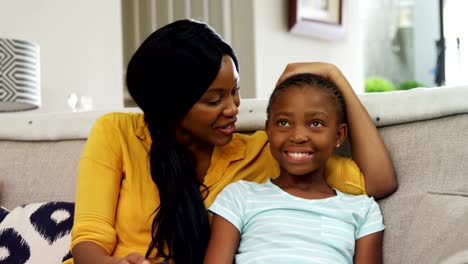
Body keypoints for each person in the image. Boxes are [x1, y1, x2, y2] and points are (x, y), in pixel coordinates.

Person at [67, 19, 396, 264]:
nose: (233, 108)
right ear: (171, 105)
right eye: (214, 100)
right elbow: (89, 237)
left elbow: (376, 181)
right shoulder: (117, 132)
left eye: (235, 91)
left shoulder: (263, 152)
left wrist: (334, 76)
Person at [204, 73, 385, 264]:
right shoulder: (239, 196)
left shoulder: (363, 210)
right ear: (268, 130)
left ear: (339, 135)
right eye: (284, 123)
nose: (298, 136)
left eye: (316, 123)